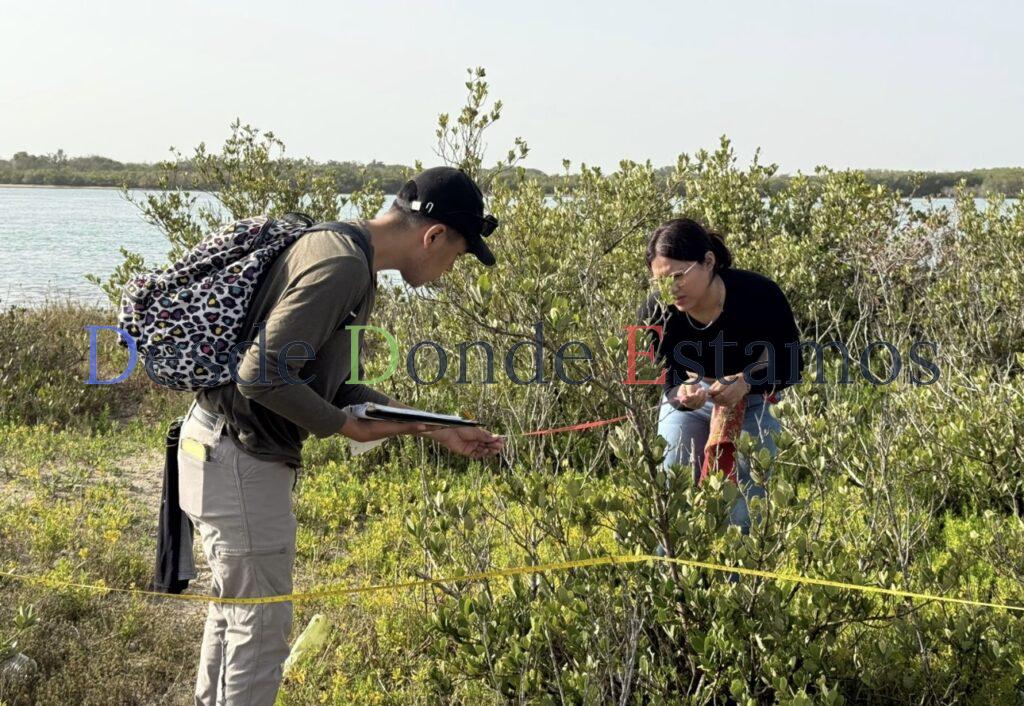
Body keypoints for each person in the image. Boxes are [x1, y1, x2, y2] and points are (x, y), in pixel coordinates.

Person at [176, 167, 505, 706]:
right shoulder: (343, 266)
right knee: (258, 631)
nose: (450, 270)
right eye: (458, 255)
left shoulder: (343, 249)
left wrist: (439, 427)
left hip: (216, 446)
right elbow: (260, 374)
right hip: (241, 458)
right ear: (434, 236)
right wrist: (344, 426)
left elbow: (339, 386)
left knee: (235, 613)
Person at [639, 217, 803, 536]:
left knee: (743, 512)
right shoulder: (655, 311)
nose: (671, 289)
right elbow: (664, 372)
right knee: (671, 499)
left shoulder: (760, 294)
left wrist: (746, 382)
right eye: (660, 281)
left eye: (678, 276)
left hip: (756, 400)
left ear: (709, 261)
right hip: (693, 402)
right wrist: (681, 393)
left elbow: (792, 364)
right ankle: (668, 567)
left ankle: (736, 567)